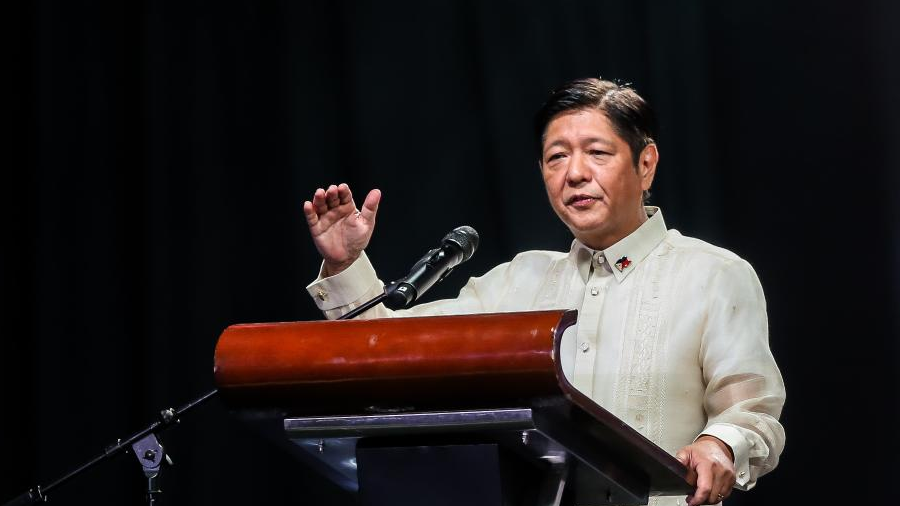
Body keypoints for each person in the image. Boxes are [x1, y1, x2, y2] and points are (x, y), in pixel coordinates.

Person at [302, 78, 785, 506]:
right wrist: (345, 264)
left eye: (597, 152)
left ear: (646, 165)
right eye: (557, 157)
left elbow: (751, 411)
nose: (574, 173)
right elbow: (386, 352)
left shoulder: (713, 275)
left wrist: (718, 444)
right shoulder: (518, 282)